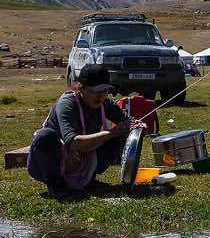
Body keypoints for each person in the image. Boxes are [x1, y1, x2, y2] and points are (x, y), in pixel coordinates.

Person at [27, 64, 145, 199]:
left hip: (84, 157)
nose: (101, 95)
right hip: (56, 159)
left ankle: (88, 180)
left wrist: (139, 126)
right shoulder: (66, 104)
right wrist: (111, 133)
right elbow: (74, 144)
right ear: (80, 87)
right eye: (95, 90)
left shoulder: (105, 103)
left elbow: (129, 123)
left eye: (105, 90)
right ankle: (57, 185)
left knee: (124, 135)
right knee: (44, 136)